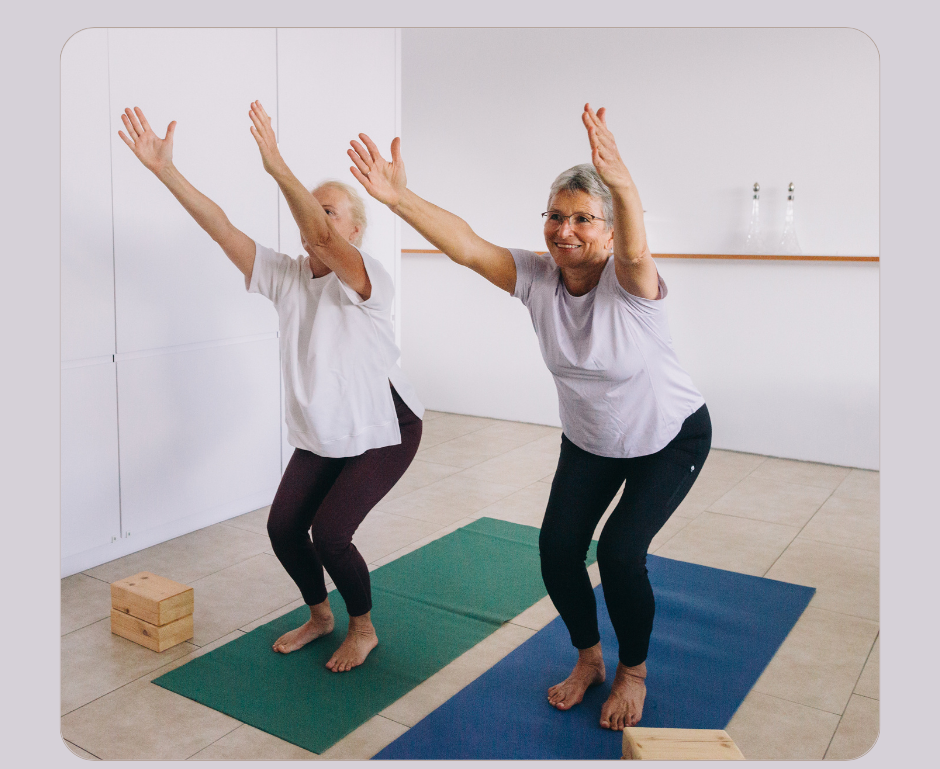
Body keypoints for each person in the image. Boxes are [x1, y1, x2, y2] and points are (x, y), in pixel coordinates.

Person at [347, 103, 710, 728]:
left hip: (668, 437)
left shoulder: (631, 281)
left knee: (622, 552)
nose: (565, 230)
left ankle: (634, 671)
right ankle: (590, 658)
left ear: (613, 229)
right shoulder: (539, 278)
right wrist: (398, 199)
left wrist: (620, 180)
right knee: (557, 550)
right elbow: (465, 246)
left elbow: (635, 243)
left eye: (583, 219)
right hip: (592, 440)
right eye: (556, 216)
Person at [119, 101, 423, 672]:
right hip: (325, 428)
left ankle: (363, 627)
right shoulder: (286, 276)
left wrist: (278, 167)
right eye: (315, 211)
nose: (319, 222)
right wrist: (165, 171)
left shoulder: (367, 277)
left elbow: (328, 247)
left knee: (331, 534)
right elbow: (222, 228)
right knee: (285, 528)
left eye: (330, 212)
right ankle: (321, 615)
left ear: (355, 230)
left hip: (387, 427)